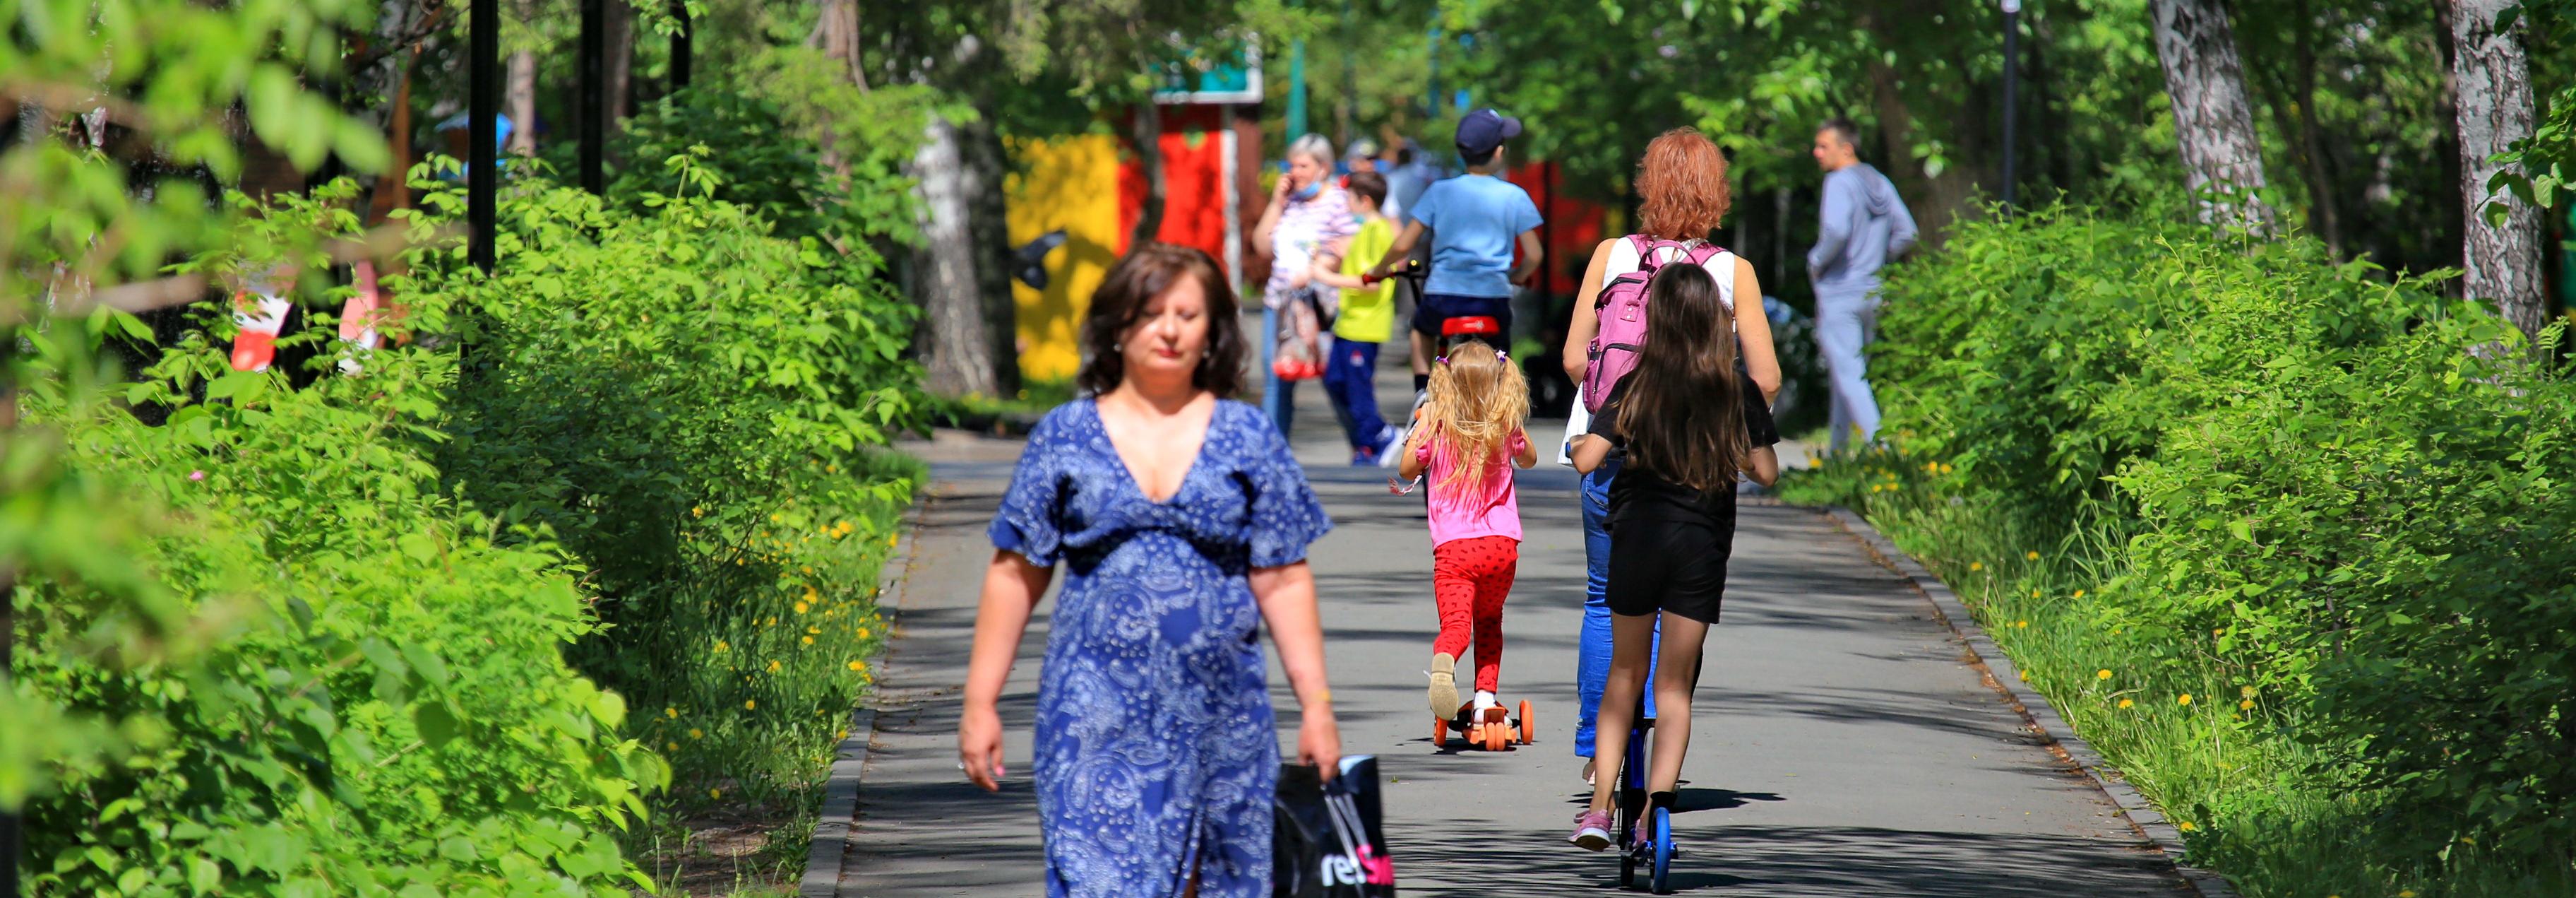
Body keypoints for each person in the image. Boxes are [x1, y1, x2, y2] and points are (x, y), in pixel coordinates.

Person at [958, 244, 1342, 897]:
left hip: (1223, 717)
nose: (1170, 329)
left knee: (1219, 882)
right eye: (1152, 312)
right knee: (1098, 880)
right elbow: (1014, 570)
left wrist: (1318, 707)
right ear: (1117, 325)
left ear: (1213, 330)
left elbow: (1282, 576)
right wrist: (979, 700)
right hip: (1093, 719)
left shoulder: (1247, 435)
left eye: (1188, 314)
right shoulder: (1065, 434)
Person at [1559, 127, 1781, 776]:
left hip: (1611, 453)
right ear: (1717, 194)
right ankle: (1657, 751)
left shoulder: (1611, 254)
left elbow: (1576, 356)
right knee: (1677, 607)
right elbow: (1764, 379)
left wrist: (1622, 407)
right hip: (1695, 467)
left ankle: (1596, 750)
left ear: (1647, 187)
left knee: (1606, 600)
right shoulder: (1731, 272)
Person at [1563, 262, 1781, 850]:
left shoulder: (1636, 383)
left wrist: (1592, 439)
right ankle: (1651, 817)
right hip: (1699, 548)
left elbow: (1587, 461)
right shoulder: (1734, 388)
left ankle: (1598, 806)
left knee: (1623, 676)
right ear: (1717, 320)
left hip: (1637, 538)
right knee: (1675, 689)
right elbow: (1765, 470)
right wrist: (1727, 446)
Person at [1393, 338, 1538, 726]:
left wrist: (1422, 426)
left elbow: (1407, 470)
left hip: (1455, 550)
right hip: (1502, 546)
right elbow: (1529, 459)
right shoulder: (1503, 422)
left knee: (1457, 625)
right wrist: (1511, 424)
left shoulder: (1436, 423)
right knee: (1489, 621)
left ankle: (1445, 660)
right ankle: (1485, 699)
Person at [1369, 109, 1544, 395]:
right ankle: (1500, 395)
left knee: (1421, 330)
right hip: (1492, 300)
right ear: (1499, 152)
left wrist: (1377, 271)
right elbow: (1535, 255)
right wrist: (1517, 275)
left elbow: (1403, 243)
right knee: (1500, 353)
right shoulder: (1514, 195)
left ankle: (1422, 393)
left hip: (1444, 297)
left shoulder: (1440, 191)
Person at [1807, 117, 1919, 454]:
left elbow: (1837, 231)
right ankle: (1838, 458)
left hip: (1840, 292)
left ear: (1847, 148)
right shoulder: (1879, 181)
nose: (1816, 152)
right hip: (1872, 291)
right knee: (1848, 375)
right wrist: (1877, 259)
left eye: (1823, 146)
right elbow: (1908, 232)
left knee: (1851, 376)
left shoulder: (1839, 182)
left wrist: (1816, 260)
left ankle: (1883, 454)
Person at [1253, 134, 1360, 435]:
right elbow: (1261, 245)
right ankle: (1274, 453)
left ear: (1323, 167)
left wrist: (1317, 267)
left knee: (1332, 377)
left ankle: (1364, 443)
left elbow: (1349, 245)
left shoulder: (1338, 200)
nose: (1294, 173)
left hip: (1319, 305)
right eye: (1292, 165)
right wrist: (1277, 203)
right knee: (1278, 376)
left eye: (1303, 166)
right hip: (1280, 302)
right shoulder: (1290, 203)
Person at [1309, 171, 1403, 465]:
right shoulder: (1365, 231)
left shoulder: (1379, 231)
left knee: (1357, 387)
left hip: (1366, 324)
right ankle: (1372, 437)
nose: (1346, 205)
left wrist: (1327, 277)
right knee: (1336, 379)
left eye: (1349, 199)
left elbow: (1373, 281)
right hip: (1349, 323)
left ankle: (1375, 438)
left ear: (1364, 201)